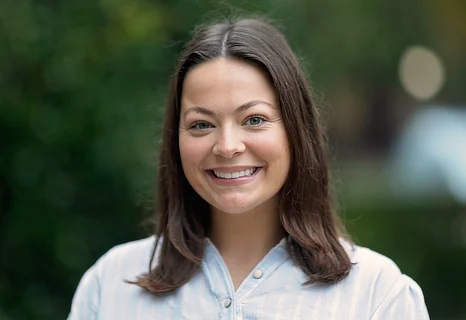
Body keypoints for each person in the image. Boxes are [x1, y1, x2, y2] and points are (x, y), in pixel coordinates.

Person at [67, 17, 429, 319]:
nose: (227, 146)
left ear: (295, 130)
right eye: (201, 124)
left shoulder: (376, 296)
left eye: (254, 119)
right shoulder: (111, 285)